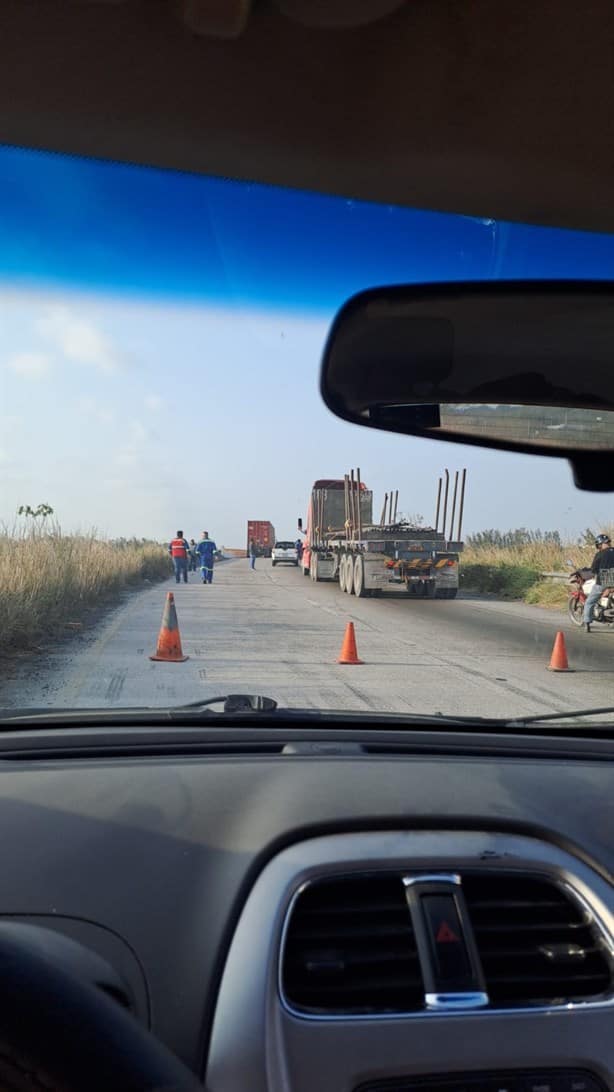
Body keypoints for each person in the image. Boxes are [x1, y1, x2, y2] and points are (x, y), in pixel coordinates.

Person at [583, 532, 614, 632]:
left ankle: (587, 622)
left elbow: (594, 569)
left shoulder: (600, 554)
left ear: (600, 544)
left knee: (589, 602)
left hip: (604, 580)